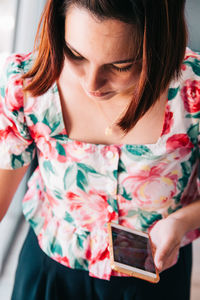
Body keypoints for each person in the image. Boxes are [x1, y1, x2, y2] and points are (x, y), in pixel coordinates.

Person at [0, 0, 200, 299]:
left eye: (121, 65)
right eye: (75, 54)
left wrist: (182, 221)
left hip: (152, 280)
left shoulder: (192, 93)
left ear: (161, 44)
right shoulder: (26, 84)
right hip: (50, 272)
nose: (91, 84)